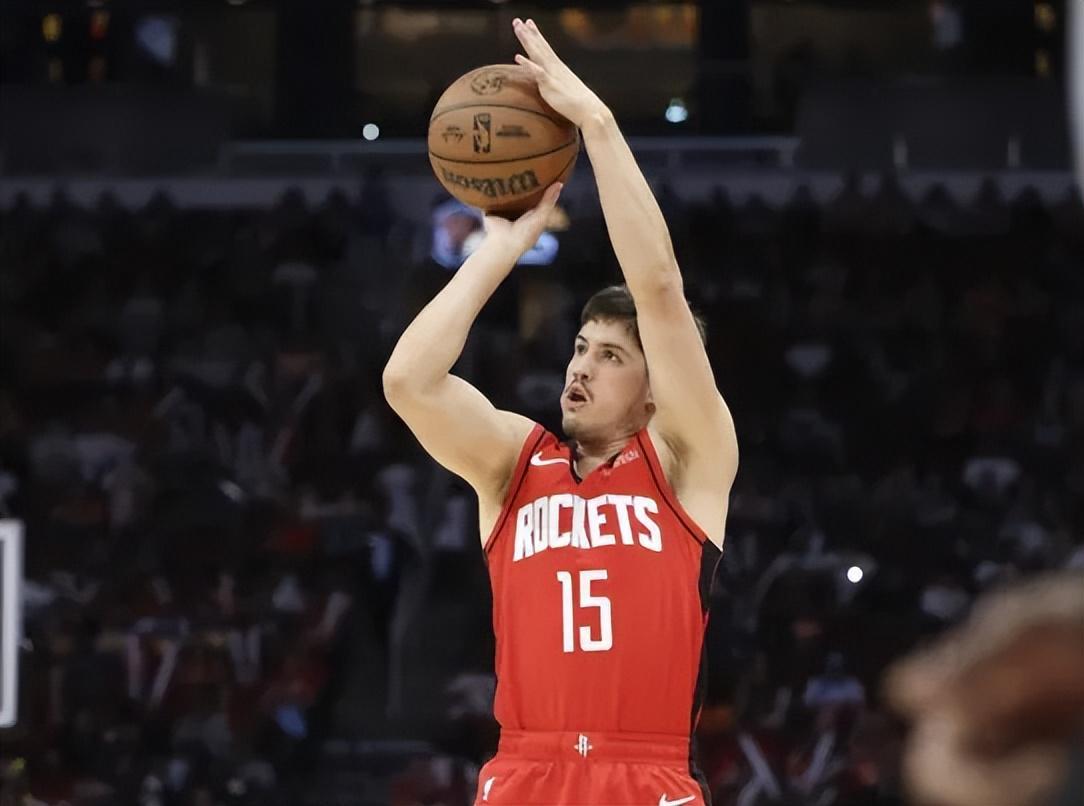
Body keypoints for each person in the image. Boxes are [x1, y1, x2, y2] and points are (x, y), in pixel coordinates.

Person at [383, 18, 738, 806]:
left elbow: (658, 288)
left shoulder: (686, 458)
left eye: (610, 356)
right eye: (580, 348)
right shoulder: (514, 464)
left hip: (646, 770)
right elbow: (408, 381)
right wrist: (501, 248)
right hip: (525, 768)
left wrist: (598, 125)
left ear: (656, 390)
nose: (580, 366)